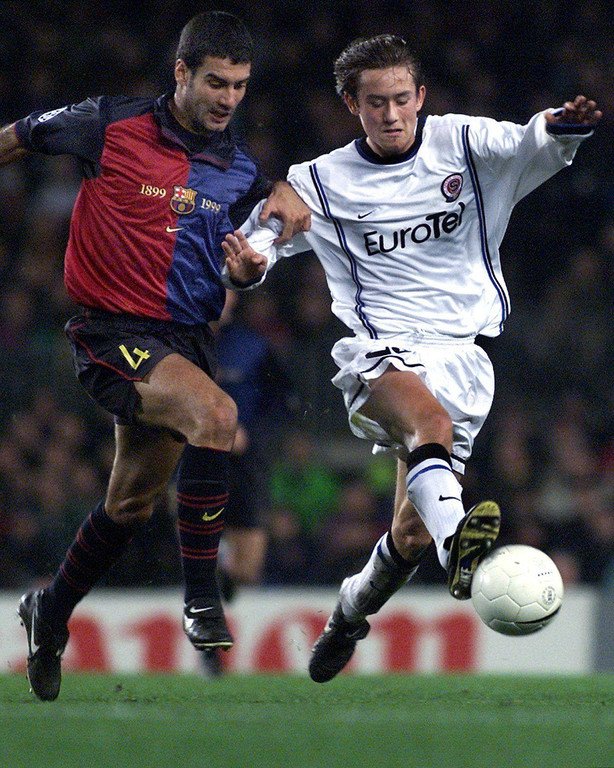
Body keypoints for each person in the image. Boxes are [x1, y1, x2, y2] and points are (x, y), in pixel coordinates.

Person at [220, 34, 601, 682]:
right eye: (375, 102)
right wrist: (249, 266)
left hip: (463, 356)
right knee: (431, 427)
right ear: (352, 105)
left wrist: (562, 127)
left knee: (408, 535)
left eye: (401, 99)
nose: (391, 114)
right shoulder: (320, 181)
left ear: (421, 96)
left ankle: (349, 612)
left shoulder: (464, 144)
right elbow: (261, 241)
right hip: (380, 351)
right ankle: (463, 550)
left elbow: (527, 144)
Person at [0, 10, 310, 701]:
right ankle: (201, 597)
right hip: (110, 331)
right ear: (181, 73)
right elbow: (19, 138)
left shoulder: (240, 171)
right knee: (218, 416)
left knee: (131, 504)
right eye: (217, 82)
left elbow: (246, 261)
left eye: (240, 86)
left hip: (186, 341)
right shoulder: (108, 125)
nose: (229, 99)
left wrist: (250, 266)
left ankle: (49, 611)